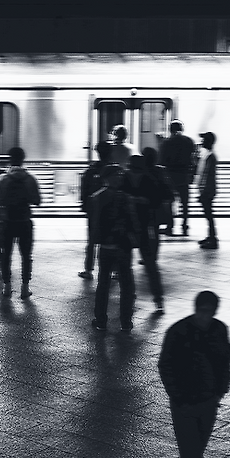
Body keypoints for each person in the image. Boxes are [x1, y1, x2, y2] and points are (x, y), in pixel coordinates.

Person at [158, 291, 230, 458]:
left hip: (207, 403)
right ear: (196, 309)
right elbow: (166, 366)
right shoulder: (179, 331)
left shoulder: (218, 330)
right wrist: (179, 398)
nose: (205, 316)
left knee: (192, 457)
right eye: (202, 311)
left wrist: (219, 392)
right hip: (186, 406)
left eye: (209, 311)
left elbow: (226, 361)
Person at [90, 165, 139, 331]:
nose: (119, 177)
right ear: (110, 177)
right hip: (123, 247)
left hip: (106, 247)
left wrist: (94, 242)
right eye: (117, 175)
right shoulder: (126, 198)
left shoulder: (97, 197)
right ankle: (126, 321)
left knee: (103, 283)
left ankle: (101, 319)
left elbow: (94, 225)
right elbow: (134, 223)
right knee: (127, 285)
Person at [126, 150, 171, 311]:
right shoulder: (144, 178)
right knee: (144, 265)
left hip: (143, 227)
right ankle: (138, 296)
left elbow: (158, 200)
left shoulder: (147, 180)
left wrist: (139, 200)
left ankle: (158, 298)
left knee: (149, 265)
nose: (134, 173)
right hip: (131, 227)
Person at [0, 147, 41, 299]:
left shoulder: (3, 179)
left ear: (10, 159)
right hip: (24, 222)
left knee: (6, 255)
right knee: (26, 255)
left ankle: (7, 287)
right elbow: (37, 201)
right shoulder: (30, 179)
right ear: (23, 159)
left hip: (8, 222)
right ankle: (24, 287)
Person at [78, 141, 112, 278]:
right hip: (110, 209)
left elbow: (84, 191)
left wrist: (85, 206)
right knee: (111, 239)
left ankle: (88, 269)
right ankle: (113, 270)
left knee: (92, 239)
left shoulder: (91, 170)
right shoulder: (114, 170)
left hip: (94, 210)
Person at [159, 120, 197, 236]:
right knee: (185, 203)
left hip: (170, 176)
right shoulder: (189, 141)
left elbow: (162, 161)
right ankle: (185, 225)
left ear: (170, 129)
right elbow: (194, 159)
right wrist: (192, 174)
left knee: (170, 202)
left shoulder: (166, 143)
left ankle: (170, 226)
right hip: (184, 175)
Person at [196, 132, 219, 249]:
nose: (201, 142)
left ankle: (213, 238)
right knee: (208, 214)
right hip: (207, 189)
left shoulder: (210, 156)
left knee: (209, 215)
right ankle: (210, 236)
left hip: (207, 190)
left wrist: (203, 191)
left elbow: (206, 176)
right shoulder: (208, 155)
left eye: (203, 140)